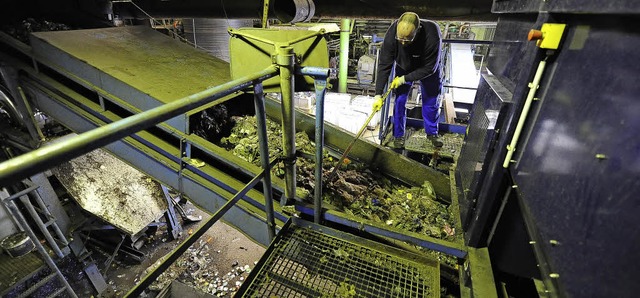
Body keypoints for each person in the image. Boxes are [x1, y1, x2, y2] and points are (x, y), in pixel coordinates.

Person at [372, 12, 444, 148]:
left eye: (408, 40)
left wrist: (404, 79)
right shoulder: (392, 34)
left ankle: (432, 133)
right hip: (404, 66)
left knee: (431, 100)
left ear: (418, 31)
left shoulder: (432, 33)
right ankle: (398, 135)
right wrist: (378, 94)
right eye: (401, 40)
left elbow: (430, 68)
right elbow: (384, 65)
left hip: (427, 68)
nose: (403, 43)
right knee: (399, 101)